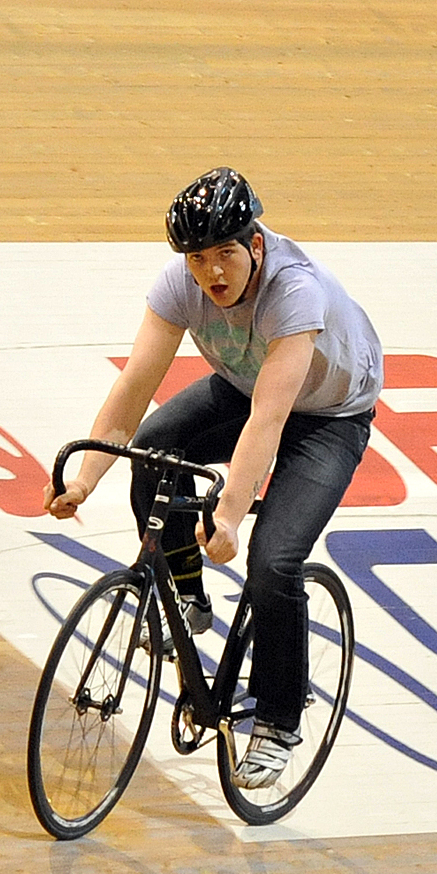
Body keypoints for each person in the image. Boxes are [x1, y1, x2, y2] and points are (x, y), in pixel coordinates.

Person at [45, 167, 381, 792]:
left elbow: (270, 420)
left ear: (255, 245)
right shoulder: (180, 284)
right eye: (199, 258)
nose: (213, 273)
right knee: (153, 452)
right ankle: (186, 597)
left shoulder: (294, 291)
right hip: (244, 384)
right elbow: (135, 386)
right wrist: (88, 479)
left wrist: (227, 514)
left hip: (327, 416)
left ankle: (279, 718)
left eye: (225, 253)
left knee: (274, 561)